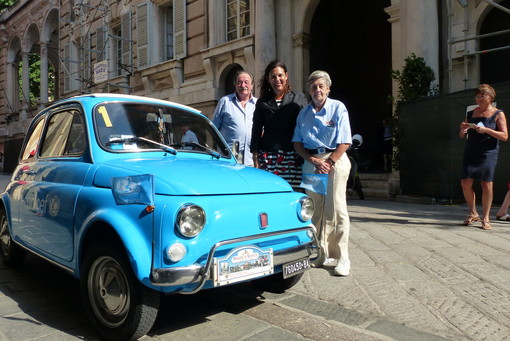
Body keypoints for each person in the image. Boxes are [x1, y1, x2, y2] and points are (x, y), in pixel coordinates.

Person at [293, 70, 352, 276]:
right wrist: (312, 160)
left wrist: (330, 161)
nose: (317, 90)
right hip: (312, 162)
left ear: (328, 88)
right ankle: (320, 253)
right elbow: (297, 142)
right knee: (315, 210)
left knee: (336, 208)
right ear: (309, 90)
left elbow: (345, 140)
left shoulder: (338, 108)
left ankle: (342, 257)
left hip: (335, 159)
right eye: (313, 86)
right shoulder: (304, 113)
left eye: (321, 86)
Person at [250, 60, 308, 189]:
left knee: (292, 193)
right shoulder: (262, 102)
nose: (277, 79)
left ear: (286, 76)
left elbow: (307, 126)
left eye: (280, 75)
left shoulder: (299, 98)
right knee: (270, 192)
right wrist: (255, 157)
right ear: (268, 79)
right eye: (273, 76)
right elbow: (256, 129)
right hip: (268, 156)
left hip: (292, 156)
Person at [459, 84, 508, 230]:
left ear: (490, 97)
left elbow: (505, 136)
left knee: (486, 184)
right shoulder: (471, 112)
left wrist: (486, 129)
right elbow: (462, 136)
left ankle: (486, 218)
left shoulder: (498, 113)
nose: (479, 98)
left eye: (482, 96)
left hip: (488, 152)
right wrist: (462, 130)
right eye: (477, 96)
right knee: (465, 182)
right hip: (471, 151)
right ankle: (473, 213)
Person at [212, 70, 257, 165]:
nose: (242, 85)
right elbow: (214, 129)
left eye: (246, 82)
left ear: (252, 86)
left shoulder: (258, 104)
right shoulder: (225, 102)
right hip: (228, 159)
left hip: (251, 159)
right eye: (239, 82)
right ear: (235, 85)